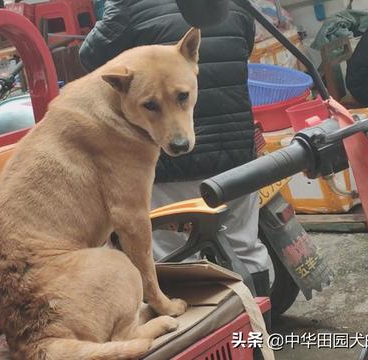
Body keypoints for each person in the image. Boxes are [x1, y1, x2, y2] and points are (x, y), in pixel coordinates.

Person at [79, 0, 270, 295]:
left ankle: (209, 333)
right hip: (238, 152)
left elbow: (91, 58)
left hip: (172, 166)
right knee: (245, 245)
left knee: (177, 257)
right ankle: (260, 332)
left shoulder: (128, 5)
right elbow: (243, 46)